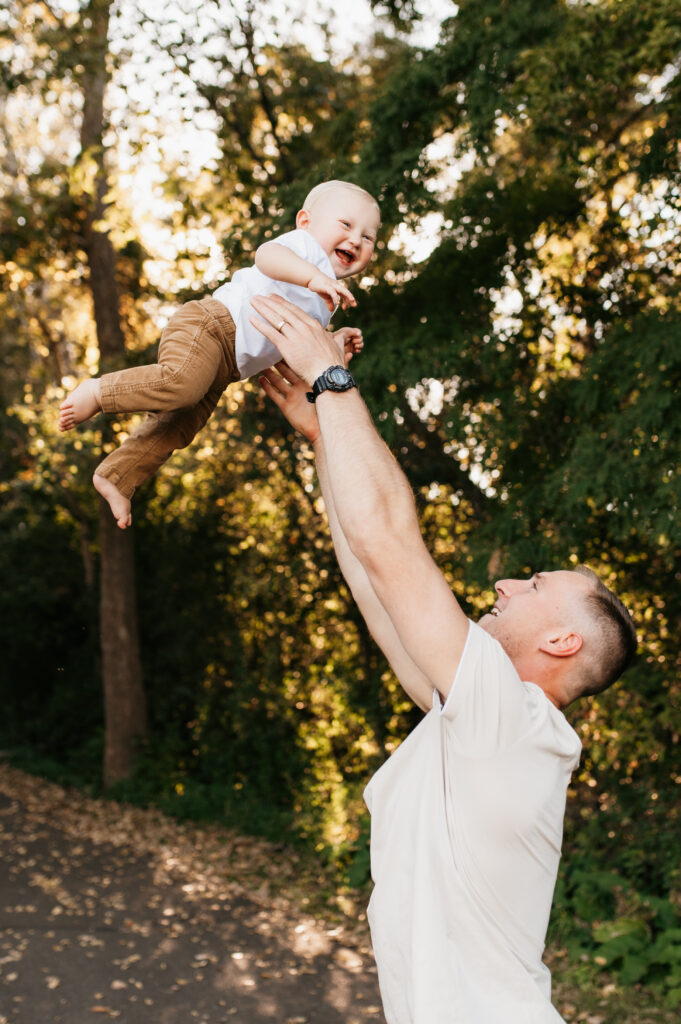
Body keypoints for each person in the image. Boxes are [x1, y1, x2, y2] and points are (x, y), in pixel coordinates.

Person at [250, 293, 637, 1024]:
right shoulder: (476, 725)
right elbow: (373, 579)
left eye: (531, 585)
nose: (502, 583)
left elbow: (391, 546)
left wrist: (332, 380)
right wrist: (326, 441)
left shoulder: (514, 725)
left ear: (561, 643)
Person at [58, 180, 380, 528]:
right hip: (211, 326)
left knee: (181, 425)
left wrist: (334, 342)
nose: (356, 240)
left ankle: (118, 475)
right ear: (305, 222)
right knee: (180, 384)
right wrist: (313, 276)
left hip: (228, 366)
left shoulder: (324, 298)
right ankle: (98, 391)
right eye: (346, 225)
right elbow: (267, 257)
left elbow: (298, 345)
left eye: (368, 237)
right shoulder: (304, 250)